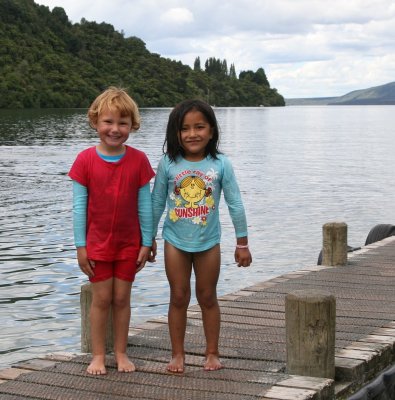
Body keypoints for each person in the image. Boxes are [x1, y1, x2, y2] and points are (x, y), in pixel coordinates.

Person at [151, 99, 252, 373]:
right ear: (175, 133)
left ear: (211, 131)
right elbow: (156, 203)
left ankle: (212, 352)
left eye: (199, 127)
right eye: (185, 128)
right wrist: (146, 238)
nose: (192, 134)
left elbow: (235, 203)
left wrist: (242, 242)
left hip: (209, 243)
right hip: (175, 242)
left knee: (207, 297)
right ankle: (177, 354)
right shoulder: (168, 164)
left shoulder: (220, 164)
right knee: (178, 297)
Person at [68, 87, 155, 375]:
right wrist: (81, 247)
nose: (115, 129)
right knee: (102, 299)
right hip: (97, 246)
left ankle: (120, 352)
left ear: (132, 125)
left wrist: (147, 240)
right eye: (108, 122)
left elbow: (145, 206)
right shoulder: (85, 161)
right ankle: (97, 356)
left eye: (122, 123)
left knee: (122, 299)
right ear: (95, 122)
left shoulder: (139, 160)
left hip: (129, 245)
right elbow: (79, 209)